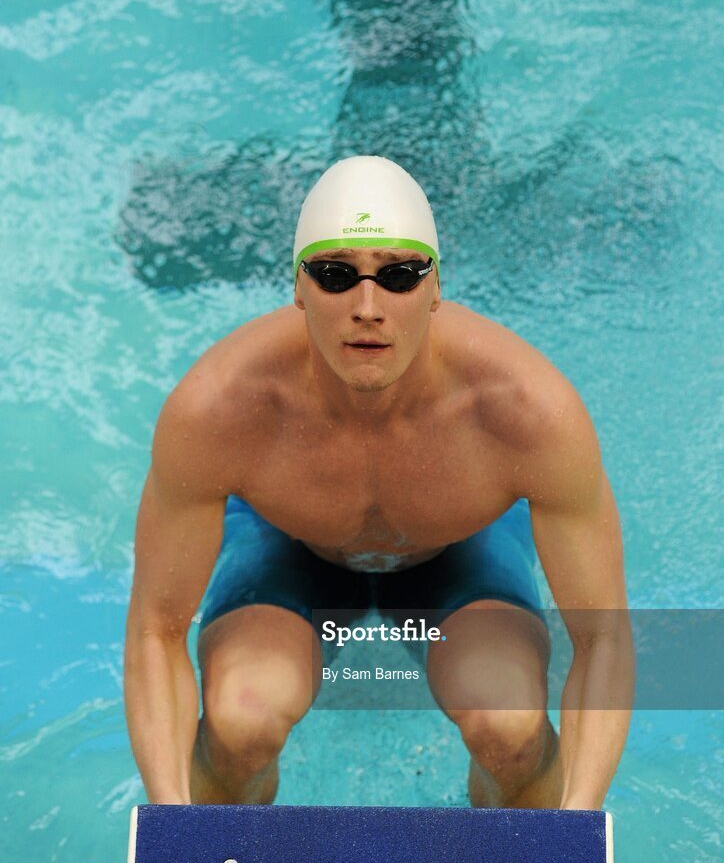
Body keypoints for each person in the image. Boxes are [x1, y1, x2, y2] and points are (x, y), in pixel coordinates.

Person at [124, 155, 634, 810]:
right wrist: (172, 822)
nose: (368, 308)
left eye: (399, 275)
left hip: (460, 549)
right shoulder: (220, 407)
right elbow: (155, 630)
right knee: (241, 722)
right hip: (290, 548)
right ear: (298, 286)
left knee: (507, 725)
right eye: (336, 276)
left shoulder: (525, 410)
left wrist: (578, 825)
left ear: (437, 286)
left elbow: (603, 636)